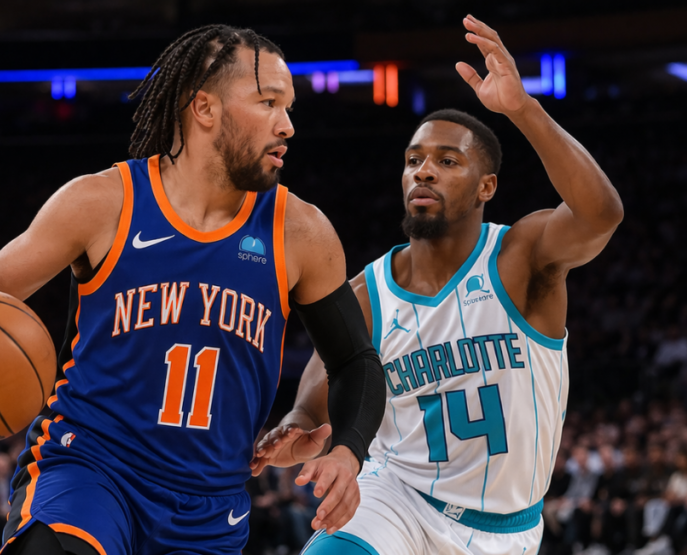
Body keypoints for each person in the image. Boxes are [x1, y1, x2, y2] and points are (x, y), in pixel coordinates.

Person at [0, 24, 386, 555]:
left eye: (289, 107)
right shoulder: (102, 203)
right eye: (268, 102)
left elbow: (356, 360)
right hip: (90, 470)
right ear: (204, 109)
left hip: (210, 504)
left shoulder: (301, 232)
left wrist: (346, 451)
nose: (287, 125)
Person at [251, 14, 623, 554]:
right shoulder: (369, 292)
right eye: (414, 160)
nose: (423, 171)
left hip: (506, 530)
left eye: (447, 161)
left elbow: (600, 215)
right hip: (394, 499)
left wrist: (523, 108)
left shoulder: (520, 260)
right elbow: (328, 375)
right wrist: (300, 421)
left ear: (485, 186)